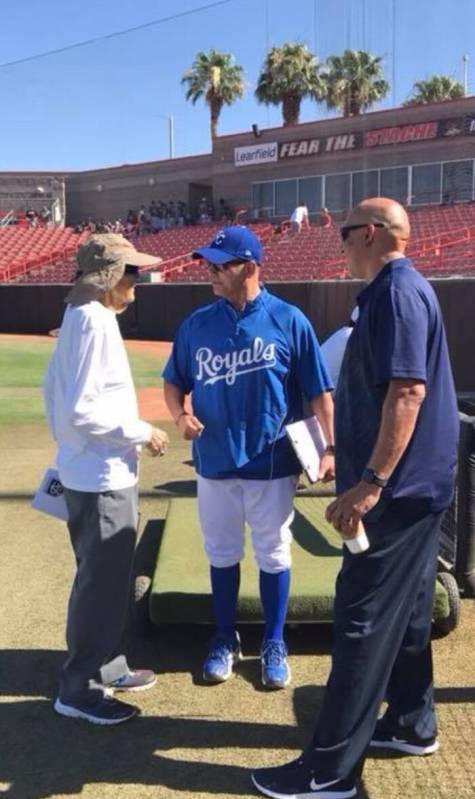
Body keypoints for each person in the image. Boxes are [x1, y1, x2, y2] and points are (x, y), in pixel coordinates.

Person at [251, 197, 459, 798]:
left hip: (398, 491)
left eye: (344, 234)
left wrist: (370, 484)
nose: (339, 246)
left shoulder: (397, 290)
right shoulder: (399, 290)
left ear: (370, 233)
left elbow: (408, 392)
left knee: (362, 616)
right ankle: (412, 722)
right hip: (417, 486)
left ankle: (329, 770)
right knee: (411, 610)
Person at [163, 225, 335, 690]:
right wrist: (180, 416)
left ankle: (275, 641)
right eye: (209, 265)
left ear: (252, 268)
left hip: (273, 462)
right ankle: (224, 637)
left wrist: (329, 448)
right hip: (215, 461)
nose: (212, 273)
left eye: (222, 265)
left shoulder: (289, 320)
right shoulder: (197, 323)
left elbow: (320, 394)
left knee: (273, 554)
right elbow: (174, 380)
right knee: (220, 554)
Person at [43, 234, 169, 726]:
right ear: (111, 276)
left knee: (106, 582)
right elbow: (82, 409)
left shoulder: (82, 317)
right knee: (101, 586)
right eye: (132, 273)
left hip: (89, 470)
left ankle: (108, 667)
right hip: (100, 477)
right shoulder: (93, 321)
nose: (139, 281)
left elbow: (53, 393)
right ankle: (81, 689)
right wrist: (144, 432)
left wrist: (69, 447)